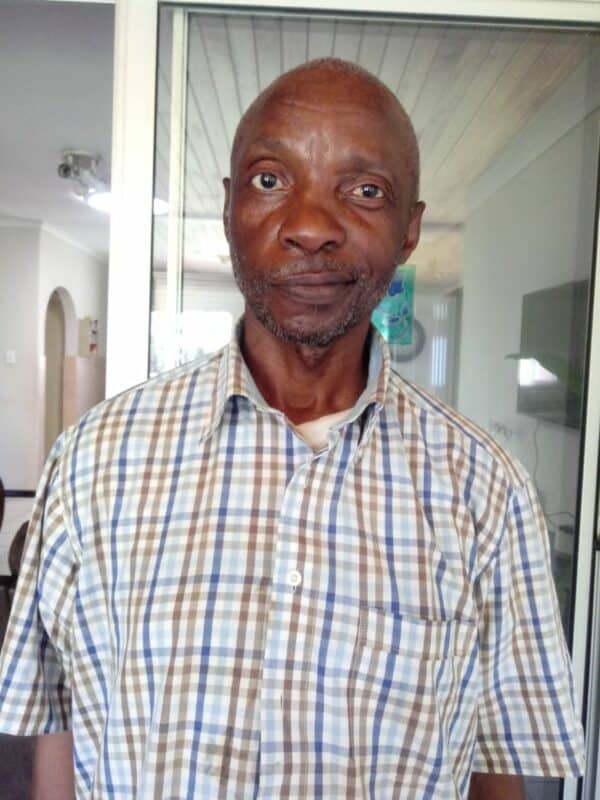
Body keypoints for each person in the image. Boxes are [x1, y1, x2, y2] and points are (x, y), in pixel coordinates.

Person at [0, 58, 585, 799]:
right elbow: (58, 719)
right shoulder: (91, 461)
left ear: (409, 231)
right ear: (228, 209)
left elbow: (498, 763)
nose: (310, 227)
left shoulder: (488, 491)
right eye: (271, 180)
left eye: (364, 191)